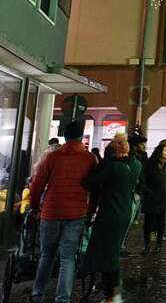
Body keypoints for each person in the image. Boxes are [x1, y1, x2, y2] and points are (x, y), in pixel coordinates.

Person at [29, 118, 97, 303]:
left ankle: (37, 294)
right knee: (68, 258)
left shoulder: (53, 157)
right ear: (81, 136)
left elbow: (37, 186)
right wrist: (90, 211)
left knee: (46, 255)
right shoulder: (90, 159)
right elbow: (95, 189)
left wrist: (35, 206)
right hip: (76, 213)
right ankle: (62, 299)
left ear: (65, 136)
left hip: (51, 212)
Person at [84, 133, 143, 303]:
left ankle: (113, 295)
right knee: (113, 251)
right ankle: (111, 291)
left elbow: (89, 182)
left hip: (109, 214)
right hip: (125, 213)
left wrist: (101, 164)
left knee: (110, 255)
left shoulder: (113, 167)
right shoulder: (136, 165)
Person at [141, 139, 166, 253]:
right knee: (148, 222)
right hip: (151, 197)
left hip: (162, 197)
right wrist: (147, 191)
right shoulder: (150, 163)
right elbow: (143, 179)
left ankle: (158, 244)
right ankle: (147, 244)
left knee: (160, 221)